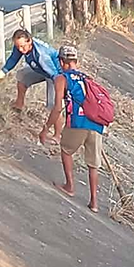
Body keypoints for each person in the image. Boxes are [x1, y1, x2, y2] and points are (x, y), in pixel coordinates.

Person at [41, 45, 107, 214]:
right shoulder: (88, 78)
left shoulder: (61, 79)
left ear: (61, 62)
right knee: (93, 164)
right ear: (76, 62)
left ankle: (70, 186)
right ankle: (94, 202)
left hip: (78, 122)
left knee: (66, 150)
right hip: (97, 124)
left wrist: (46, 128)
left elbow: (57, 108)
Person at [0, 28, 63, 131]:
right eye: (18, 46)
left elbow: (54, 75)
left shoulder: (41, 55)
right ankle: (18, 105)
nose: (20, 49)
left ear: (30, 41)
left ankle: (58, 134)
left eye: (22, 46)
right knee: (22, 75)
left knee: (54, 105)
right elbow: (13, 58)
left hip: (55, 74)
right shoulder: (22, 46)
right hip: (40, 69)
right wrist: (2, 72)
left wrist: (60, 90)